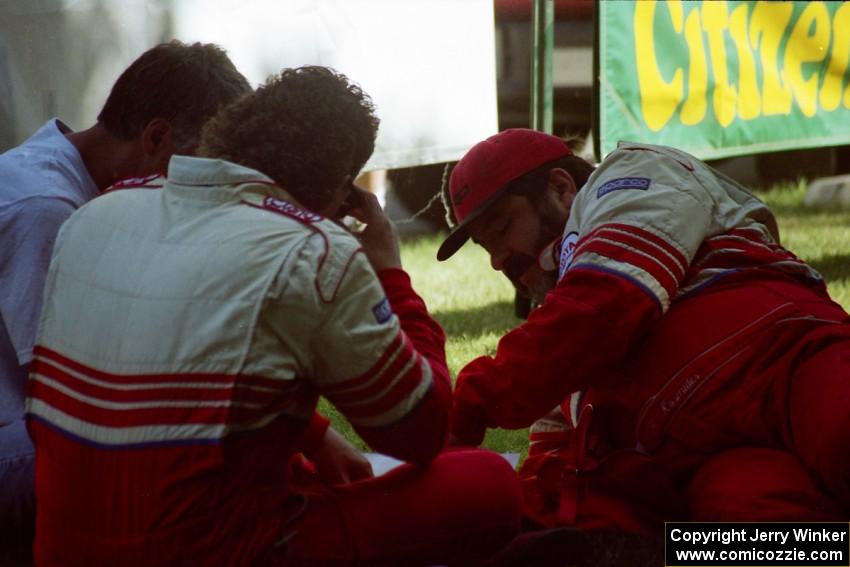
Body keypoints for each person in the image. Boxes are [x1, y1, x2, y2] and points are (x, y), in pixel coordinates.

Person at [25, 66, 521, 565]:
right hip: (220, 550)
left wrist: (312, 434)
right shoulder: (311, 250)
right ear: (340, 192)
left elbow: (173, 363)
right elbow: (421, 429)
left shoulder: (97, 212)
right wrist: (391, 275)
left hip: (63, 547)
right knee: (491, 483)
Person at [436, 128, 850, 531]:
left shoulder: (628, 176)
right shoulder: (554, 339)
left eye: (502, 228)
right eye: (485, 245)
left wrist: (470, 402)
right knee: (743, 542)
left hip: (788, 360)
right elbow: (556, 472)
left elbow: (606, 304)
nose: (496, 260)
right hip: (717, 460)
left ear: (561, 187)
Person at [0, 40, 251, 562]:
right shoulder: (47, 209)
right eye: (203, 168)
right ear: (156, 137)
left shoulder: (54, 168)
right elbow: (79, 396)